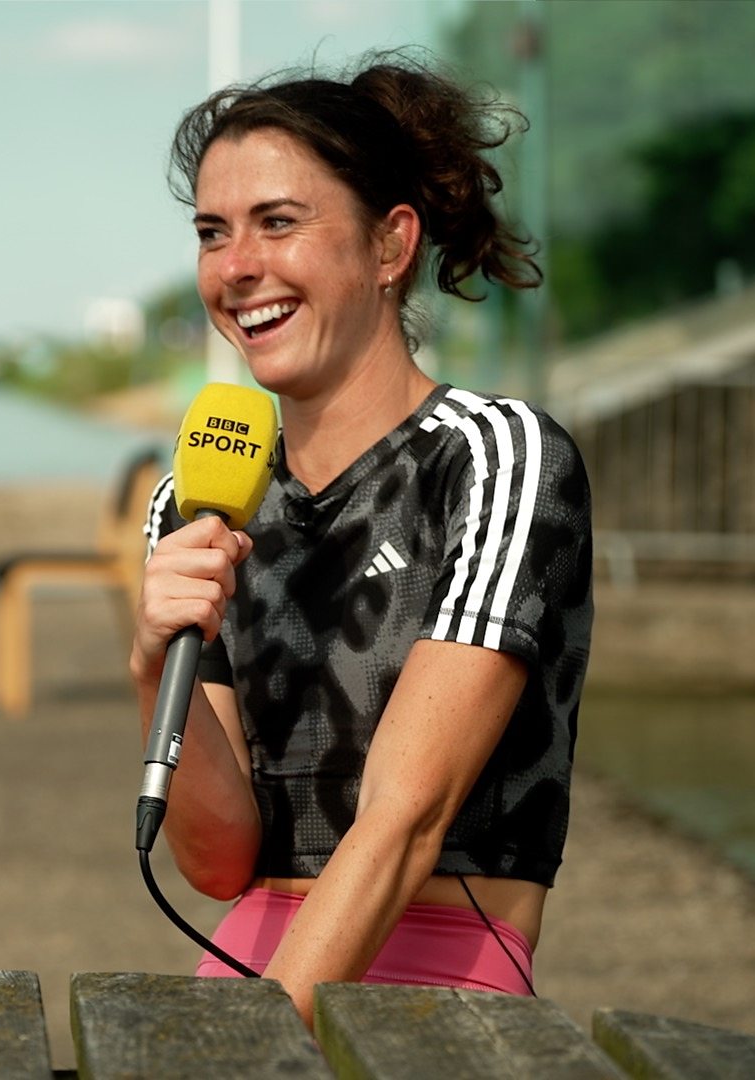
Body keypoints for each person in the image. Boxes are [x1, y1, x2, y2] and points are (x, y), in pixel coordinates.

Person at [132, 56, 593, 1026]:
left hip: (437, 979)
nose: (236, 266)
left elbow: (408, 817)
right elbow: (218, 864)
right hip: (246, 965)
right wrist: (149, 667)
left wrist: (265, 1044)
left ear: (391, 246)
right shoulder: (196, 498)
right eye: (213, 233)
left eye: (279, 222)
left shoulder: (496, 457)